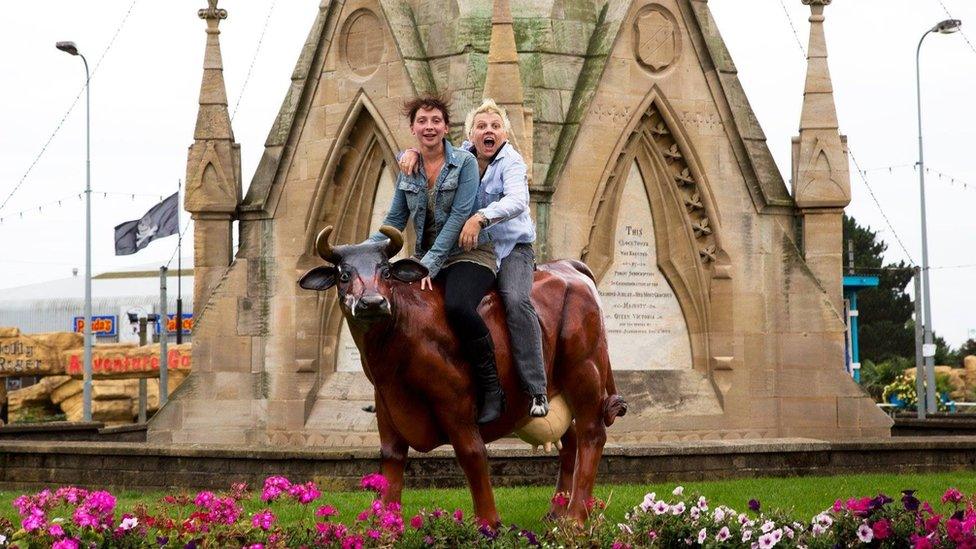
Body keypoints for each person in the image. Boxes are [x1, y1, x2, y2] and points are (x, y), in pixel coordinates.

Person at [399, 99, 549, 418]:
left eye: (495, 126)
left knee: (516, 300)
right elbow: (434, 152)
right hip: (466, 249)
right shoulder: (464, 157)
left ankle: (536, 389)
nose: (488, 131)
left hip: (509, 249)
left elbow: (518, 201)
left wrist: (481, 216)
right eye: (481, 126)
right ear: (470, 133)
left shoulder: (511, 162)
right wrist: (408, 154)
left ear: (505, 133)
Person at [368, 95, 506, 424]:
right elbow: (394, 221)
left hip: (469, 254)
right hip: (426, 258)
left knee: (458, 306)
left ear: (446, 127)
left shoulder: (465, 163)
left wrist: (429, 264)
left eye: (435, 121)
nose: (429, 126)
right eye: (422, 121)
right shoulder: (410, 168)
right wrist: (362, 251)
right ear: (413, 127)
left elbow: (459, 218)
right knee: (395, 307)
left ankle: (492, 389)